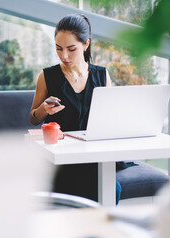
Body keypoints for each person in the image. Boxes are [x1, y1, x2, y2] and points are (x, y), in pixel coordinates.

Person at [29, 14, 122, 204]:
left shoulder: (102, 75)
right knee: (77, 186)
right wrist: (44, 110)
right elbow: (33, 118)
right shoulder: (47, 76)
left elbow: (110, 119)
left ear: (86, 44)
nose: (64, 56)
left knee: (112, 189)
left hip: (93, 155)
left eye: (71, 49)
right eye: (58, 49)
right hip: (61, 158)